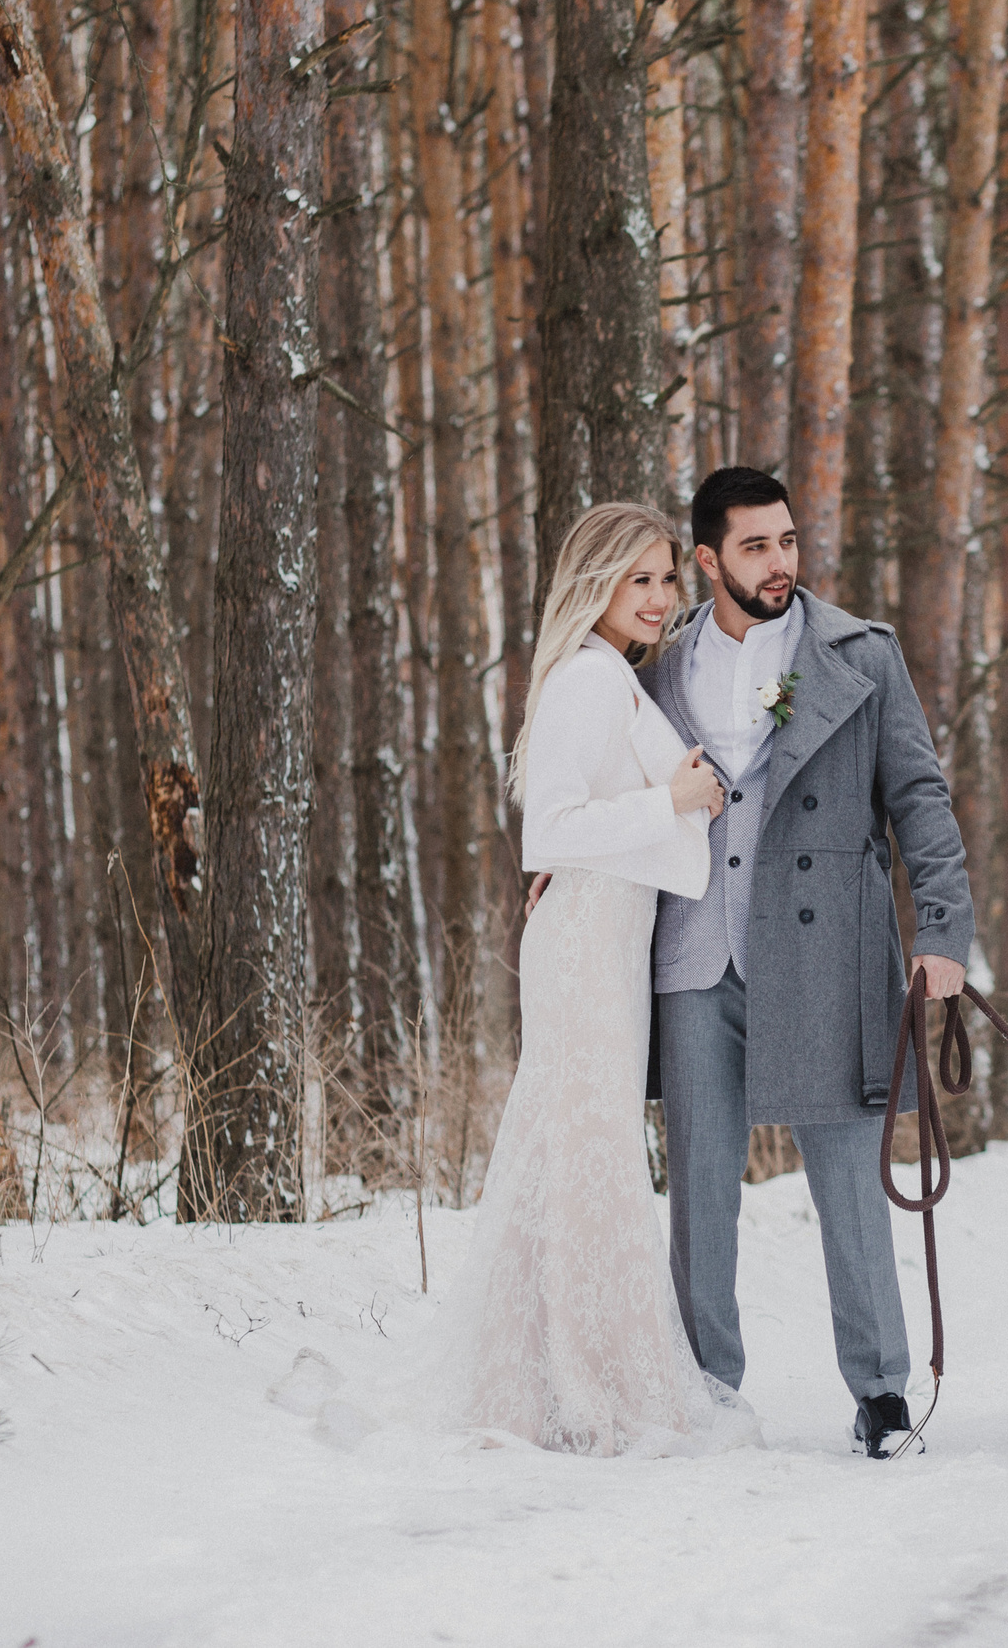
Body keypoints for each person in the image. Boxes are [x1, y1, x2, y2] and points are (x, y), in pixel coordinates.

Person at [641, 467, 975, 1460]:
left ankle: (879, 1392)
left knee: (847, 1182)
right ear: (707, 560)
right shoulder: (658, 671)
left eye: (786, 541)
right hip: (695, 953)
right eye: (754, 547)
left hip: (830, 949)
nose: (779, 562)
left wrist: (943, 937)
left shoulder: (860, 657)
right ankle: (707, 1392)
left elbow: (920, 798)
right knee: (701, 1195)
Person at [441, 501, 758, 1457]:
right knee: (587, 1155)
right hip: (583, 941)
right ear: (598, 585)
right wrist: (670, 798)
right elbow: (550, 832)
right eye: (642, 580)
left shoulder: (614, 679)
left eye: (668, 578)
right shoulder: (587, 676)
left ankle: (540, 1381)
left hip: (611, 937)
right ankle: (587, 1387)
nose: (662, 598)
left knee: (575, 1151)